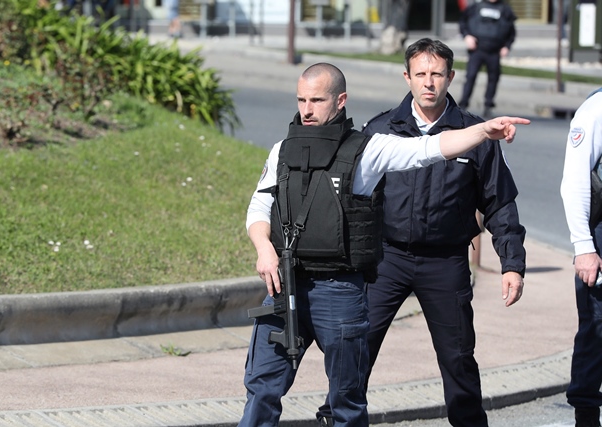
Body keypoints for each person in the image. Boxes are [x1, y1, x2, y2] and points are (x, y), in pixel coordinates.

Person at [240, 62, 529, 427]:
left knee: (348, 398)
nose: (306, 109)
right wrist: (264, 248)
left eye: (316, 99)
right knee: (262, 387)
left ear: (340, 100)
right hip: (285, 286)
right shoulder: (281, 150)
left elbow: (429, 149)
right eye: (301, 99)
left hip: (340, 291)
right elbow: (259, 207)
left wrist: (483, 131)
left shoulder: (368, 150)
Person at [560, 86, 602, 427]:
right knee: (596, 329)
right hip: (600, 240)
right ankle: (586, 415)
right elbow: (575, 180)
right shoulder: (596, 109)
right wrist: (584, 246)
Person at [458, 0, 517, 118]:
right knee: (471, 76)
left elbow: (512, 31)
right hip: (477, 49)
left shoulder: (505, 9)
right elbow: (463, 23)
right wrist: (467, 36)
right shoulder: (475, 7)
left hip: (494, 51)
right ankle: (463, 105)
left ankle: (488, 106)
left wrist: (507, 46)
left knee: (493, 79)